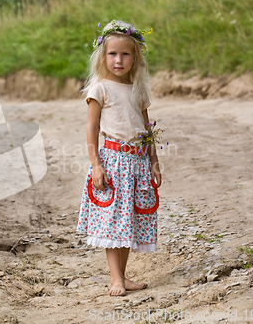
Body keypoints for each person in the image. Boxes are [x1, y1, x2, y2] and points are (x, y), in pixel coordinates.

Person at [76, 19, 162, 296]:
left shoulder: (139, 91)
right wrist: (96, 166)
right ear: (103, 56)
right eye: (113, 53)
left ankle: (123, 277)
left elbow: (147, 130)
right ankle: (114, 278)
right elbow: (91, 129)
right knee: (113, 222)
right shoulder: (99, 89)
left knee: (130, 221)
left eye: (125, 54)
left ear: (135, 57)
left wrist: (154, 162)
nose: (119, 59)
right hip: (113, 163)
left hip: (138, 164)